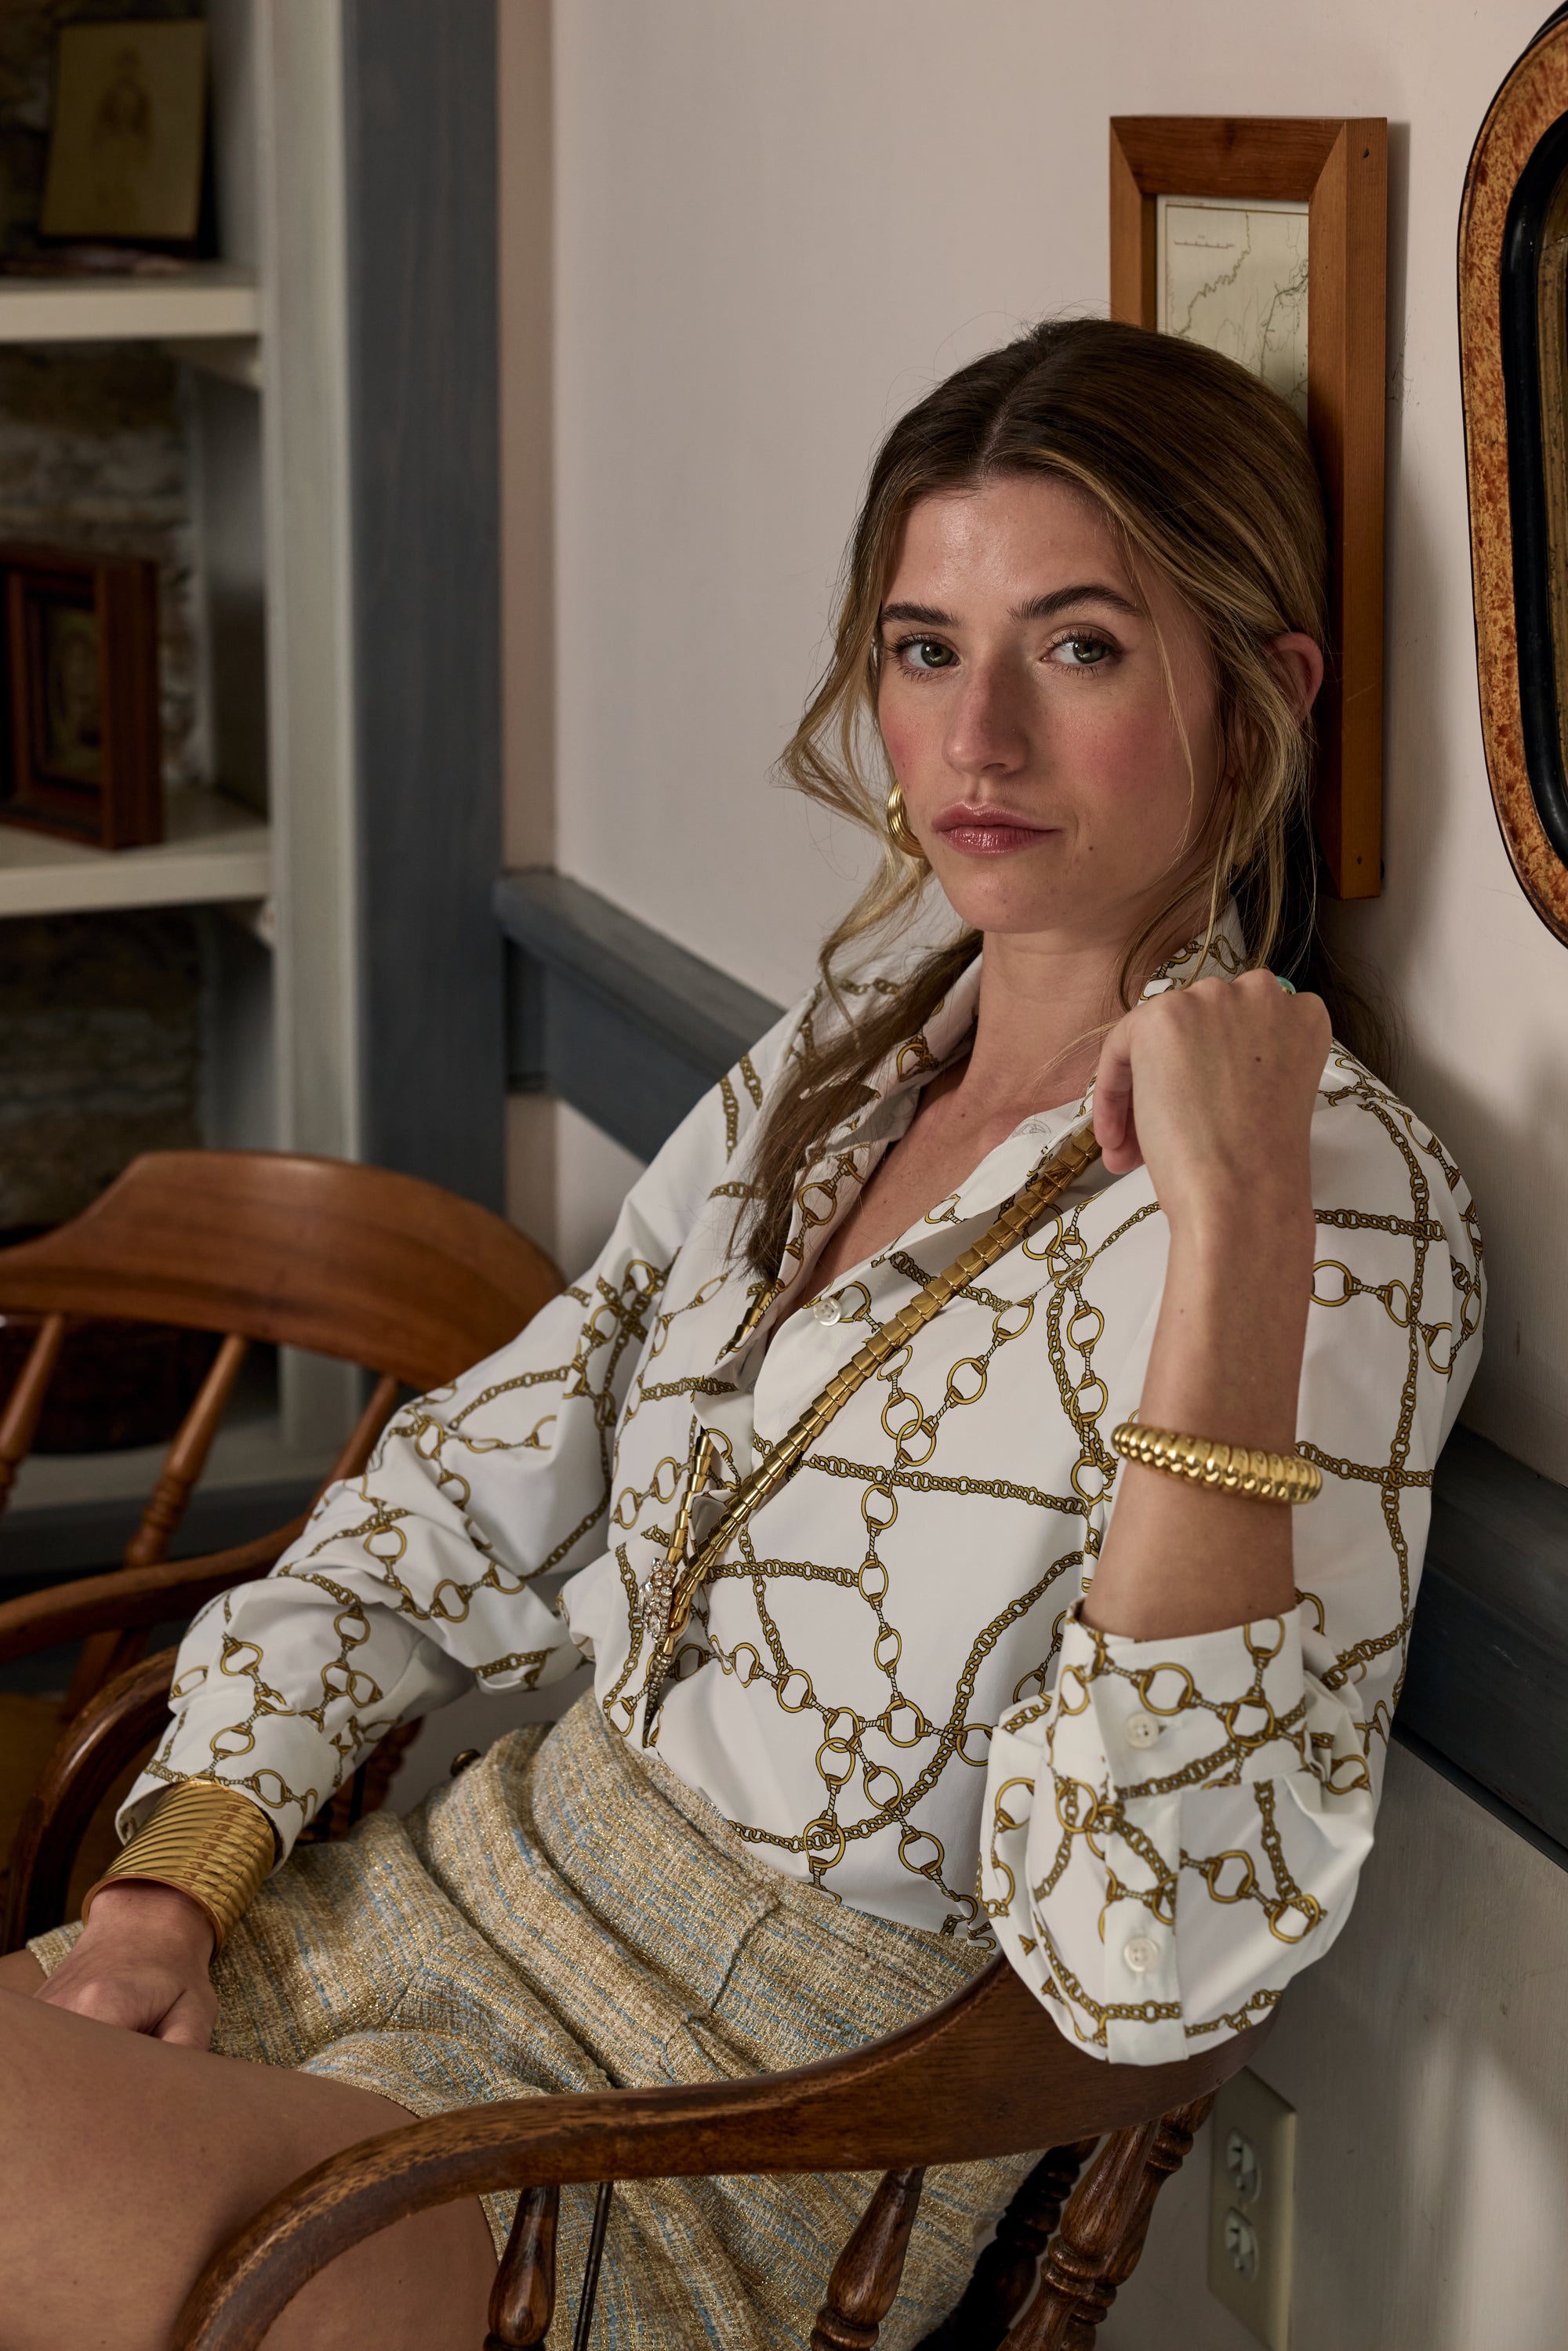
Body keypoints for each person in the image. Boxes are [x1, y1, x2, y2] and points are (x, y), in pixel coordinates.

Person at [0, 317, 1483, 2351]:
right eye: (923, 647)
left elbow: (1159, 1953)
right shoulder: (845, 1065)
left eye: (1079, 648)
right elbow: (444, 1509)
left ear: (1267, 697)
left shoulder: (1346, 1208)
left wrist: (1233, 1229)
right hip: (412, 1919)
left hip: (702, 2145)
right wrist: (181, 1877)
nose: (975, 748)